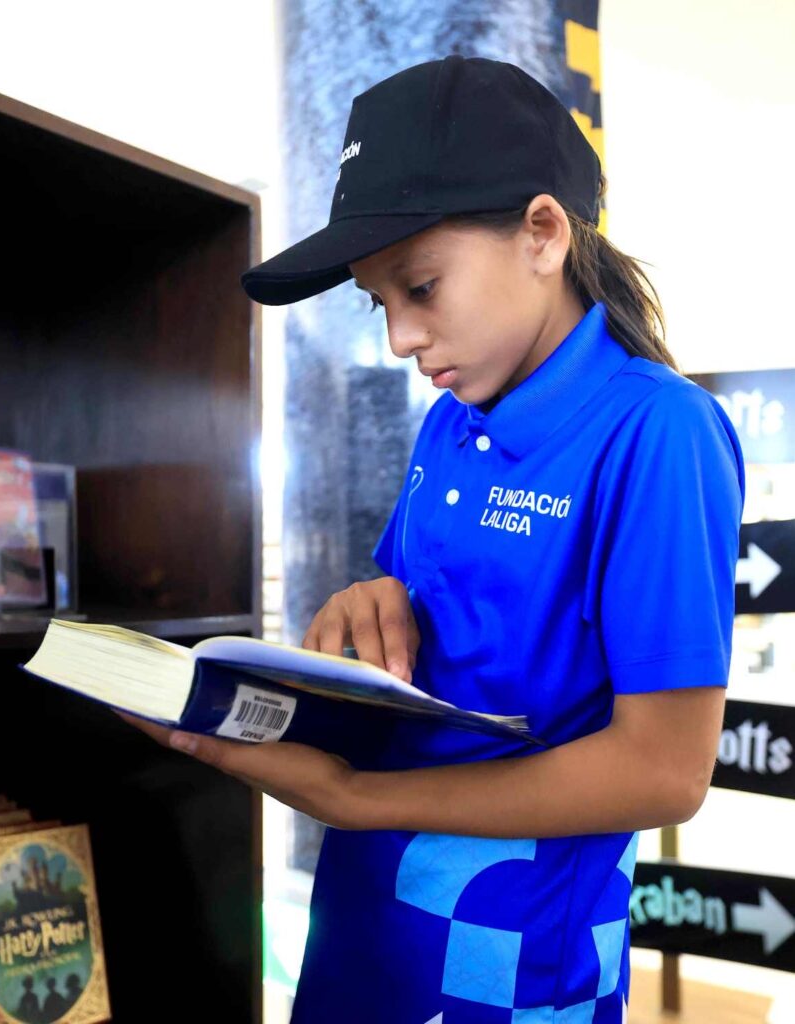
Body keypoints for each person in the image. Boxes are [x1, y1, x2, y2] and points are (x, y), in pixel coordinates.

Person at [119, 55, 744, 1022]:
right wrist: (369, 604)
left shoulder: (659, 431)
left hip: (513, 972)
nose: (399, 339)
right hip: (365, 930)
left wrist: (357, 796)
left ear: (543, 233)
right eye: (380, 303)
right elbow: (425, 636)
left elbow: (665, 771)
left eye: (421, 287)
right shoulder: (451, 420)